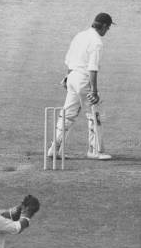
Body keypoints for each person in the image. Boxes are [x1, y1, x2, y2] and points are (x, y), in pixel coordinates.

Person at [48, 13, 114, 161]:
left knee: (68, 114)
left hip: (72, 77)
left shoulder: (80, 35)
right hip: (83, 79)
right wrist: (94, 90)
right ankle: (95, 150)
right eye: (108, 28)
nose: (107, 31)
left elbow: (70, 59)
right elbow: (92, 68)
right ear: (103, 26)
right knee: (94, 113)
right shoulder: (97, 42)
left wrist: (67, 78)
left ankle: (54, 149)